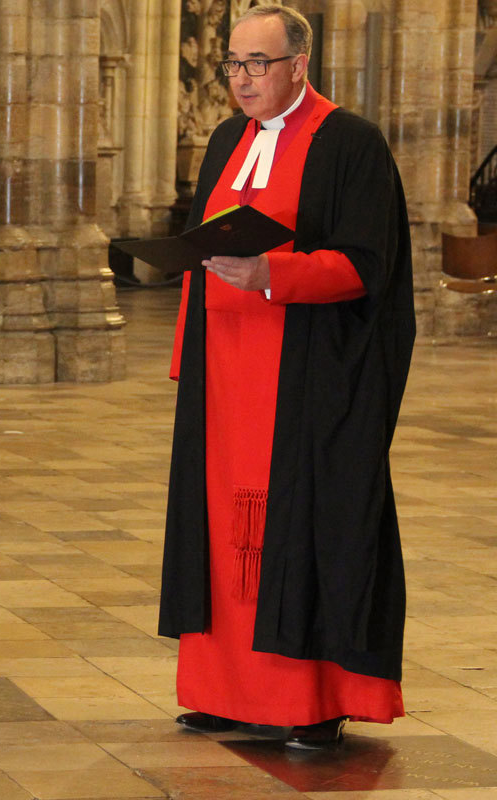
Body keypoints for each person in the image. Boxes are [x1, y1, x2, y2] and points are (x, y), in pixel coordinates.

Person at [159, 5, 415, 750]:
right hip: (223, 380)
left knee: (296, 531)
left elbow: (369, 265)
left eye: (256, 64)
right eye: (232, 64)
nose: (240, 79)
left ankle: (308, 699)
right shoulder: (224, 140)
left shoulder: (351, 144)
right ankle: (222, 691)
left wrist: (273, 273)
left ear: (299, 64)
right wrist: (187, 352)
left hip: (304, 381)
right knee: (219, 535)